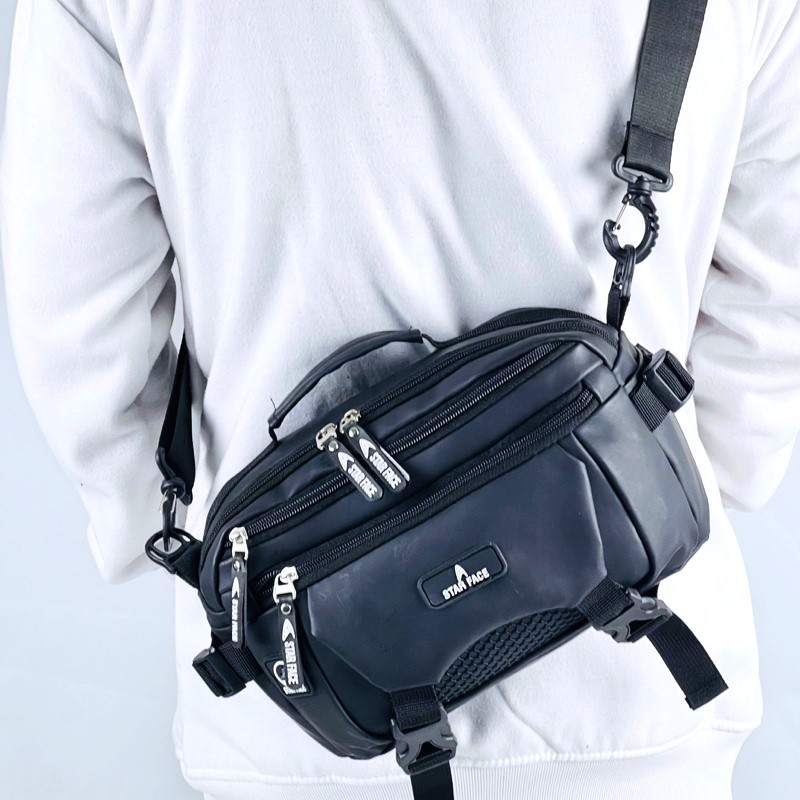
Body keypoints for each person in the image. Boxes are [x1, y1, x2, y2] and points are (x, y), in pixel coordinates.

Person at [2, 1, 799, 798]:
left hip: (303, 708)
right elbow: (772, 306)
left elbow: (76, 320)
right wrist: (674, 475)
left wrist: (161, 526)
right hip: (641, 665)